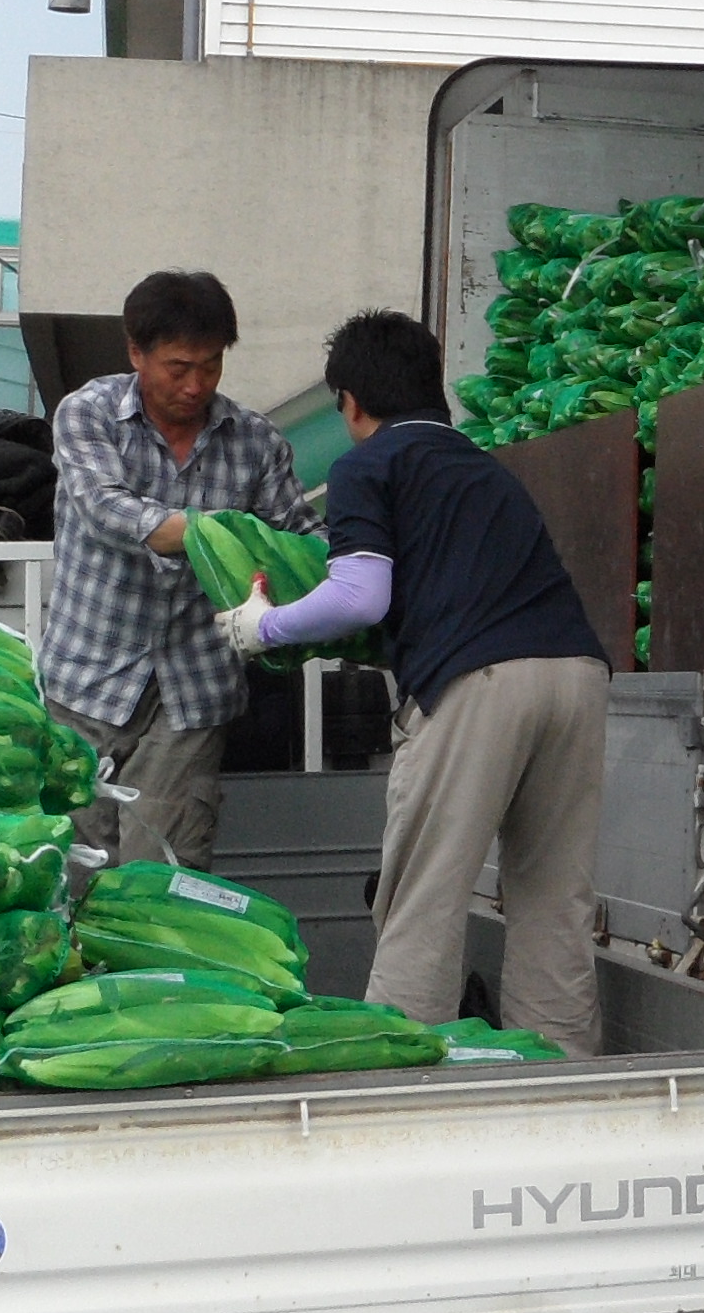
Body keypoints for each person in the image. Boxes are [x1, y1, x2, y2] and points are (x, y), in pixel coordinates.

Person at [215, 308, 611, 1052]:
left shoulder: (369, 465)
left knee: (423, 897)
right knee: (554, 901)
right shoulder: (487, 469)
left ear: (350, 404)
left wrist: (261, 627)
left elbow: (361, 596)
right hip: (577, 675)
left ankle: (405, 1078)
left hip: (479, 684)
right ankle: (561, 1074)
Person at [34, 267, 319, 868]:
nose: (195, 385)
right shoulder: (86, 414)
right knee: (71, 865)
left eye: (211, 366)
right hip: (86, 679)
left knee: (161, 873)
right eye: (178, 367)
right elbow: (104, 508)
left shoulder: (256, 441)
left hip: (195, 689)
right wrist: (217, 535)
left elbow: (301, 537)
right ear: (136, 353)